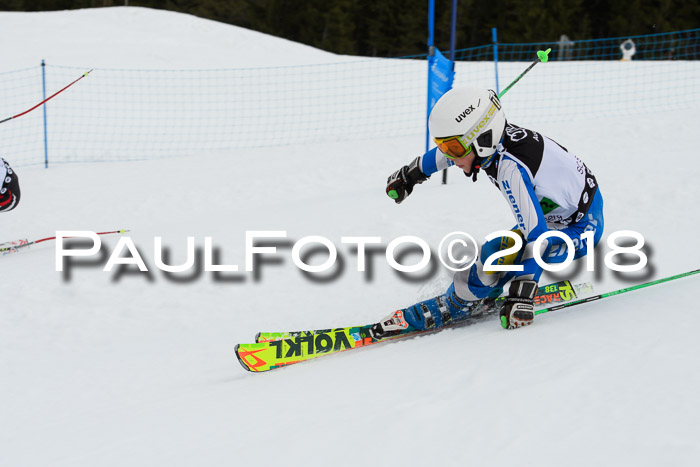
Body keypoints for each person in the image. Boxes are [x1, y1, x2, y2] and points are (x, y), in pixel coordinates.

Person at [371, 87, 603, 335]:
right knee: (496, 253)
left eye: (453, 149)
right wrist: (412, 173)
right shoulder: (493, 147)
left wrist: (521, 296)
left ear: (483, 139)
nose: (450, 156)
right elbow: (449, 155)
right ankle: (483, 293)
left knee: (499, 255)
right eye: (443, 146)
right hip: (556, 217)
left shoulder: (510, 169)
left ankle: (461, 303)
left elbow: (538, 237)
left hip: (581, 230)